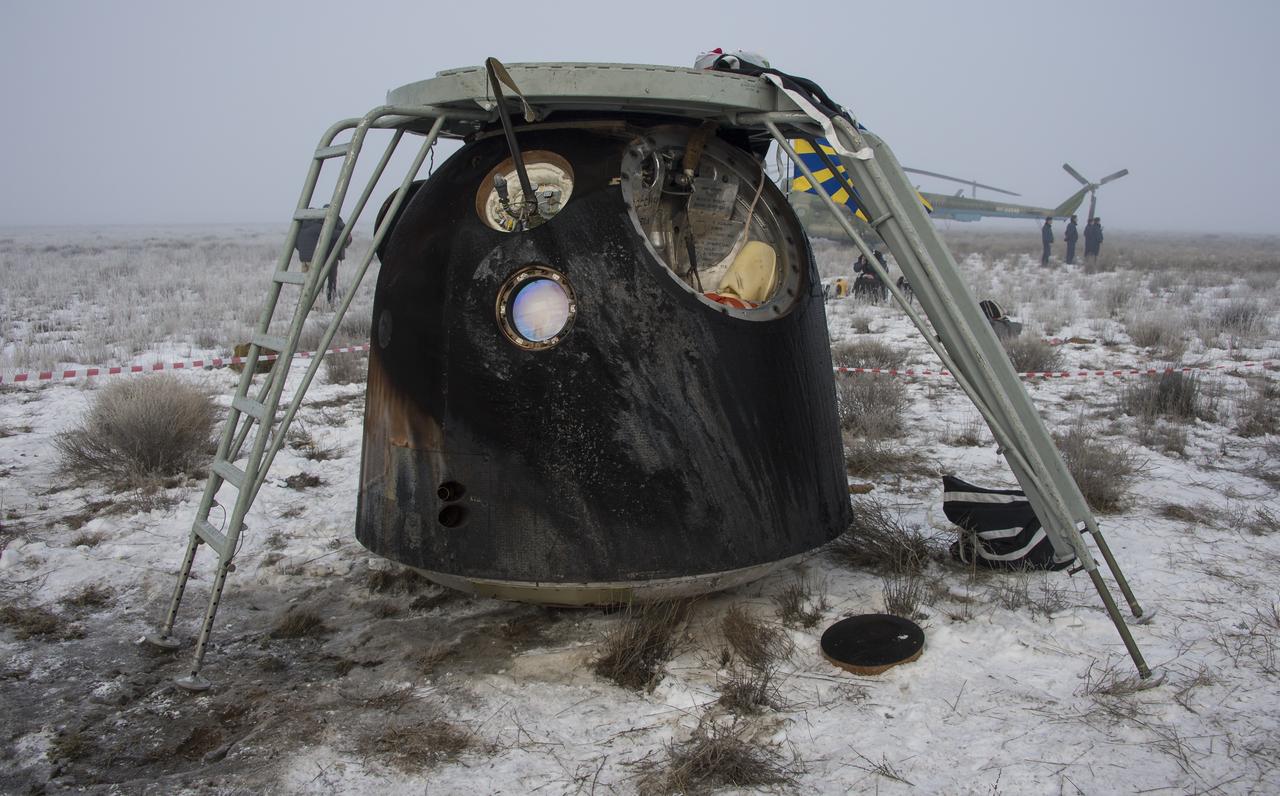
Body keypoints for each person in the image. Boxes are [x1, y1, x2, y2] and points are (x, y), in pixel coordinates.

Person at [295, 205, 349, 306]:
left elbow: (296, 244)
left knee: (305, 283)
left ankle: (304, 303)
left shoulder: (300, 228)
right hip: (316, 259)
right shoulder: (319, 227)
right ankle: (317, 304)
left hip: (303, 259)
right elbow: (334, 234)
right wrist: (346, 234)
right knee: (316, 283)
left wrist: (303, 253)